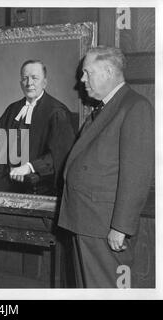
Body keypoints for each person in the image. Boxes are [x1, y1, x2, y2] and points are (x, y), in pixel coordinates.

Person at [58, 46, 154, 288]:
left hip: (105, 225)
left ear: (109, 71)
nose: (82, 80)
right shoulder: (105, 108)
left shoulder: (135, 106)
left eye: (87, 73)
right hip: (87, 220)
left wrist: (120, 227)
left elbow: (137, 173)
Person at [0, 60, 75, 195]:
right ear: (20, 83)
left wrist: (30, 167)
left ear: (44, 82)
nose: (29, 83)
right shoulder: (14, 108)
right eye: (25, 78)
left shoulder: (57, 112)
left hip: (27, 177)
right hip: (1, 167)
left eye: (34, 78)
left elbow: (60, 154)